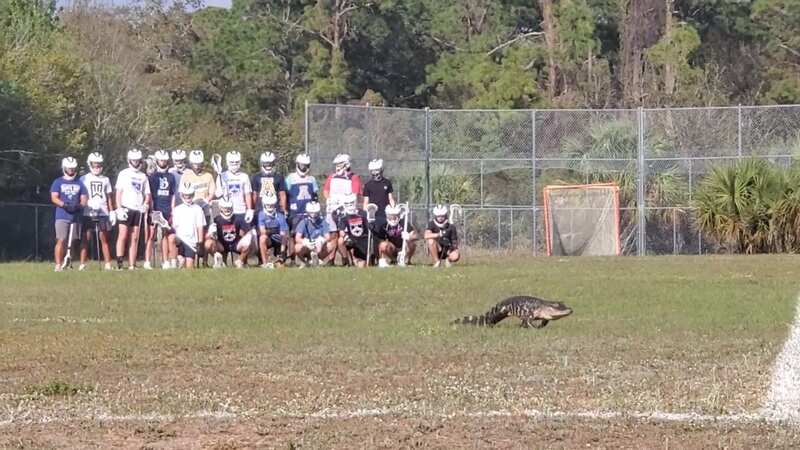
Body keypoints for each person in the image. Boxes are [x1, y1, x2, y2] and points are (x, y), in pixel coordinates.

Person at [114, 148, 152, 270]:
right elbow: (118, 192)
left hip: (138, 210)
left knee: (134, 238)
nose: (136, 163)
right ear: (129, 160)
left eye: (137, 161)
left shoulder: (143, 176)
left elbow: (147, 194)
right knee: (123, 235)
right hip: (125, 208)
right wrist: (119, 208)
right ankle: (120, 262)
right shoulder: (123, 174)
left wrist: (145, 204)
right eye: (133, 161)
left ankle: (132, 264)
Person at [322, 153, 362, 264]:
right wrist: (330, 200)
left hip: (347, 211)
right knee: (333, 235)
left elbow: (355, 194)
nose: (337, 166)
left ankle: (351, 259)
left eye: (340, 164)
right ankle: (331, 260)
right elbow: (326, 191)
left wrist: (346, 203)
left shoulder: (354, 177)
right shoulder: (332, 177)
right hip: (333, 209)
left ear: (346, 164)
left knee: (346, 236)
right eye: (336, 164)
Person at [50, 157, 88, 272]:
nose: (71, 170)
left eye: (73, 168)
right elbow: (54, 197)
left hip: (75, 216)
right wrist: (64, 205)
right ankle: (58, 264)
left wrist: (79, 206)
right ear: (64, 168)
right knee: (61, 239)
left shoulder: (80, 183)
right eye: (69, 168)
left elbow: (84, 198)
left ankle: (68, 261)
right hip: (62, 215)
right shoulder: (58, 182)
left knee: (72, 241)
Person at [78, 152, 114, 271]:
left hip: (103, 211)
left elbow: (109, 197)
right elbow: (81, 195)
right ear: (90, 164)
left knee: (104, 238)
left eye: (99, 164)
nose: (97, 166)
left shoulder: (106, 179)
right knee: (85, 238)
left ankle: (108, 264)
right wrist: (84, 205)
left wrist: (111, 211)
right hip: (88, 211)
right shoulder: (84, 178)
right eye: (95, 164)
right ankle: (82, 264)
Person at [144, 150, 177, 270]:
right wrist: (152, 210)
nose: (163, 162)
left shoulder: (171, 176)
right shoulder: (153, 177)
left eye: (164, 160)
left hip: (167, 209)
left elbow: (173, 194)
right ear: (157, 161)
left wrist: (172, 210)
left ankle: (165, 261)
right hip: (155, 209)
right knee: (151, 235)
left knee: (164, 235)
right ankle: (147, 261)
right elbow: (150, 194)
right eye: (161, 160)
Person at [285, 153, 319, 260]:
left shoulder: (311, 179)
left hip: (308, 212)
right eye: (302, 165)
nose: (304, 168)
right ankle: (292, 258)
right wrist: (286, 209)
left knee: (309, 234)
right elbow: (285, 195)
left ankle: (310, 257)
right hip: (295, 212)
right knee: (293, 235)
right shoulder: (290, 178)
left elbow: (315, 196)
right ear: (297, 164)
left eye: (306, 165)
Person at [204, 198, 254, 268]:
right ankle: (219, 259)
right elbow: (207, 237)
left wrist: (247, 236)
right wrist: (211, 233)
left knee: (249, 239)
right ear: (220, 208)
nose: (227, 210)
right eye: (225, 208)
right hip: (222, 245)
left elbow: (248, 231)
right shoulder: (216, 220)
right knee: (208, 244)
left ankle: (240, 261)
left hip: (235, 244)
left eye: (229, 208)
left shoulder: (237, 218)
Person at [171, 184, 205, 269]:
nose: (187, 197)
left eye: (189, 195)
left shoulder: (198, 209)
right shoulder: (177, 209)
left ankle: (182, 260)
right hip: (180, 240)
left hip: (192, 243)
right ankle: (175, 261)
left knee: (189, 268)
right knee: (171, 238)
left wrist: (200, 243)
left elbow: (200, 227)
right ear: (182, 195)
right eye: (185, 195)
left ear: (193, 195)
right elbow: (175, 227)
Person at [336, 193, 374, 268]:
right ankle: (346, 261)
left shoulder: (363, 213)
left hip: (363, 240)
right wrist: (345, 237)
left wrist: (371, 222)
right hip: (351, 240)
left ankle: (360, 259)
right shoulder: (343, 216)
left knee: (361, 266)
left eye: (351, 203)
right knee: (340, 241)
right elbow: (341, 231)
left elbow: (369, 228)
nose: (350, 205)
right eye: (347, 203)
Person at [217, 150, 254, 227]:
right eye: (232, 162)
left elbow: (247, 194)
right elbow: (218, 194)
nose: (234, 164)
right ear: (227, 162)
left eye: (236, 162)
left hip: (241, 210)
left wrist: (249, 209)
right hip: (227, 211)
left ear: (240, 162)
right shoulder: (222, 176)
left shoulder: (244, 176)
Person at [294, 201, 334, 268]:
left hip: (318, 245)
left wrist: (321, 240)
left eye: (315, 213)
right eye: (311, 213)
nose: (313, 215)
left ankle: (318, 260)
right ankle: (305, 262)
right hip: (307, 245)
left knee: (330, 245)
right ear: (308, 212)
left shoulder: (322, 221)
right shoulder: (303, 222)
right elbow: (297, 238)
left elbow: (328, 237)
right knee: (297, 247)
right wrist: (305, 242)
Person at [257, 192, 289, 269]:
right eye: (268, 204)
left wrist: (283, 252)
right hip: (268, 239)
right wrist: (274, 230)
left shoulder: (280, 215)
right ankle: (265, 263)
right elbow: (262, 231)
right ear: (264, 204)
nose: (270, 206)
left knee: (280, 266)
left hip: (278, 239)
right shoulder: (261, 214)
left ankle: (280, 256)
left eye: (271, 204)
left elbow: (283, 234)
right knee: (262, 238)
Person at [251, 151, 288, 218]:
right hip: (260, 210)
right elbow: (254, 195)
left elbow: (282, 194)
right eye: (266, 163)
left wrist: (284, 209)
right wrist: (252, 209)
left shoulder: (279, 177)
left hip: (275, 209)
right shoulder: (256, 177)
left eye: (270, 163)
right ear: (262, 163)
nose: (268, 165)